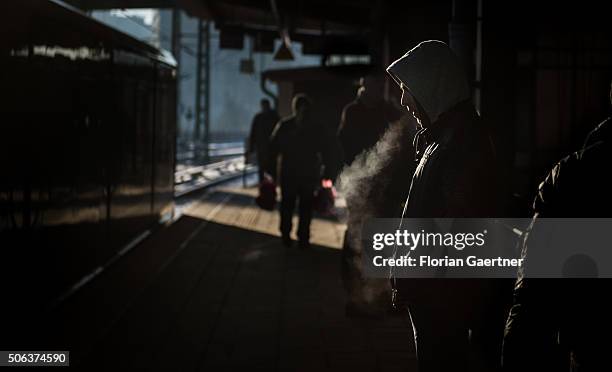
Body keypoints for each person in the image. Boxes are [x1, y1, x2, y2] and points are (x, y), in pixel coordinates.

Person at [386, 40, 511, 371]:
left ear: (433, 86)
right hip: (435, 295)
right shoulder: (443, 137)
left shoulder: (460, 142)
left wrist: (410, 275)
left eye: (408, 88)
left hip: (443, 299)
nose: (403, 100)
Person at [503, 83, 612, 372]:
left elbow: (536, 280)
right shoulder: (580, 172)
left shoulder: (579, 172)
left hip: (593, 339)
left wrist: (517, 345)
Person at [268, 94, 334, 249]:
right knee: (305, 208)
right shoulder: (316, 128)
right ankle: (302, 238)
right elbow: (326, 151)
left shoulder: (285, 126)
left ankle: (287, 235)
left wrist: (270, 171)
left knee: (288, 206)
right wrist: (327, 173)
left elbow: (272, 148)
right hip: (307, 175)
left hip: (290, 174)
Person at [337, 74, 402, 166]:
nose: (380, 87)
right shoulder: (352, 112)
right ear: (365, 85)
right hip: (358, 168)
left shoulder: (388, 111)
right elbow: (345, 142)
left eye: (381, 84)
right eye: (376, 83)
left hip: (383, 168)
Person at [249, 98, 280, 183]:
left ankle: (264, 187)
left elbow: (253, 134)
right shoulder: (274, 117)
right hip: (268, 149)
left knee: (265, 169)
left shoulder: (259, 118)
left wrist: (251, 147)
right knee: (268, 169)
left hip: (265, 149)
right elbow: (253, 134)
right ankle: (267, 187)